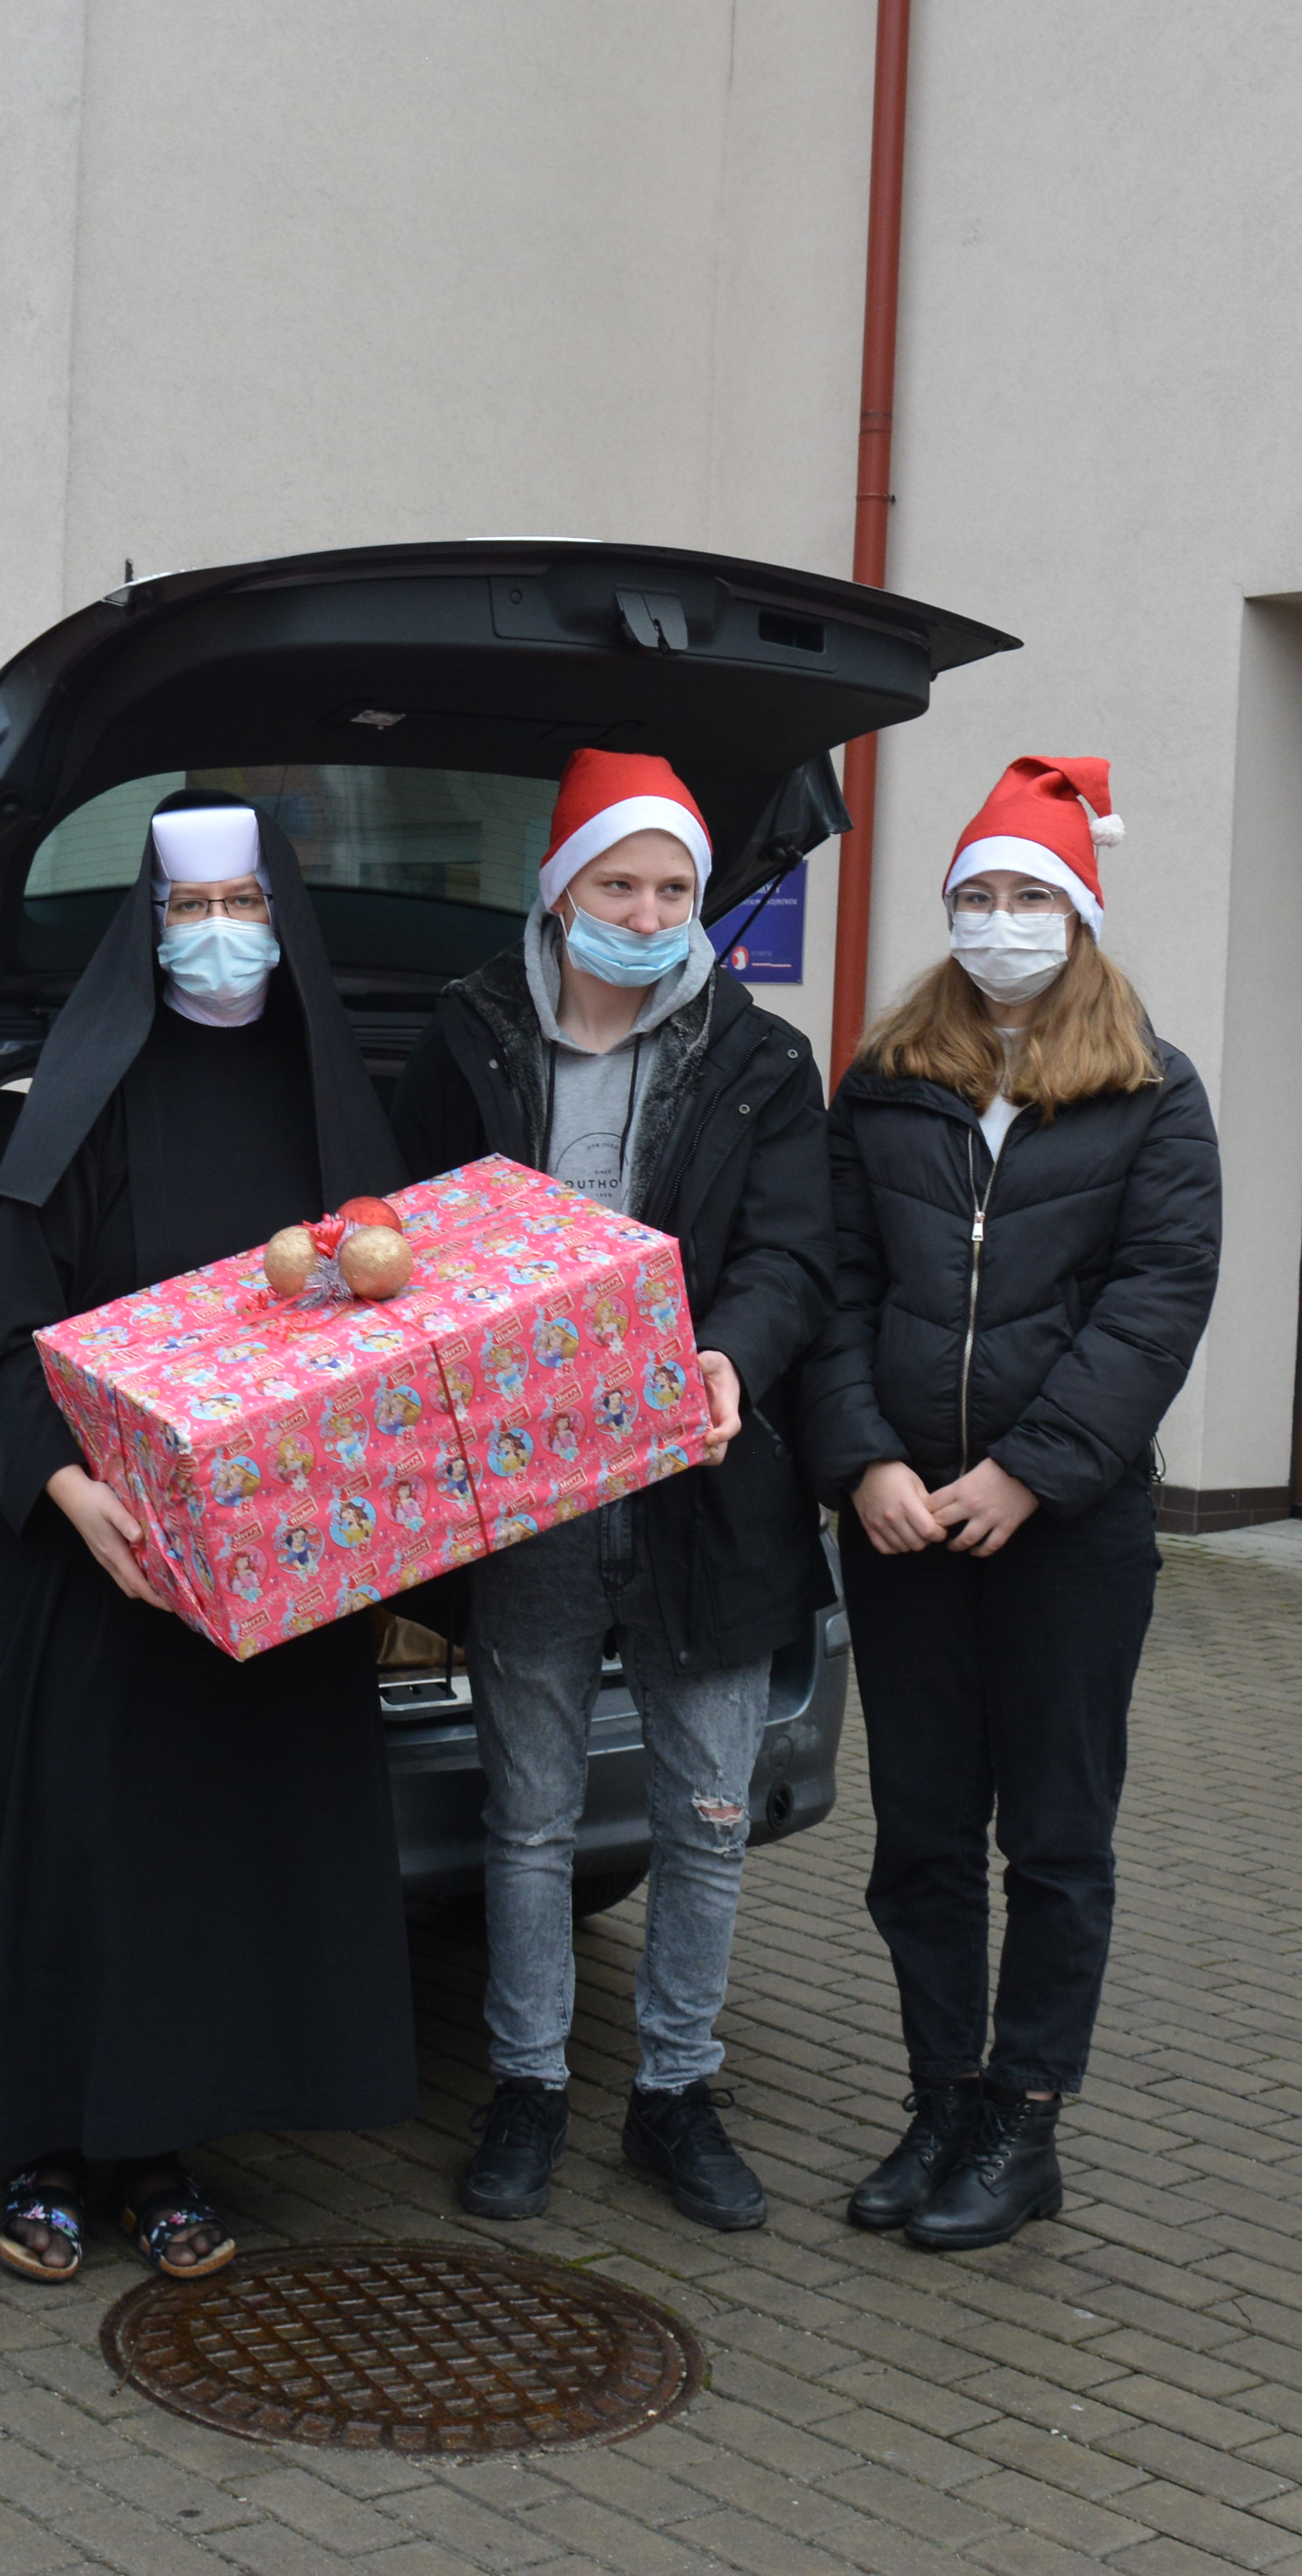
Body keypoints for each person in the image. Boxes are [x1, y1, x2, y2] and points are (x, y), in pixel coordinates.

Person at [0, 797, 415, 2285]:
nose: (221, 936)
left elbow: (398, 1336)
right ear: (148, 930)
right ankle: (41, 2151)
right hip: (87, 1566)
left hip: (261, 1585)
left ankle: (164, 2151)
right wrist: (77, 1495)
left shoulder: (338, 1113)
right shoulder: (73, 1101)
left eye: (245, 905)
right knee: (76, 1857)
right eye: (191, 911)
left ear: (287, 916)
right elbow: (4, 1337)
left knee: (209, 1872)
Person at [389, 752, 832, 2232]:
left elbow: (789, 1254)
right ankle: (526, 2083)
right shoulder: (466, 1038)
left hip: (709, 1481)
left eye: (672, 888)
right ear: (561, 885)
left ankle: (675, 2092)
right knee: (529, 1814)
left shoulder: (761, 1060)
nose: (646, 910)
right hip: (534, 1491)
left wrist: (731, 1358)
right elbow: (405, 1239)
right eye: (618, 882)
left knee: (705, 1807)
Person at [795, 757, 1221, 2252]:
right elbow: (834, 1282)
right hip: (902, 1520)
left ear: (1081, 912)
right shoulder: (887, 1077)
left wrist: (1028, 1469)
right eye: (976, 893)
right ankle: (940, 2095)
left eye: (1029, 893)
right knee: (919, 1830)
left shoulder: (1155, 1092)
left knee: (1053, 1833)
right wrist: (864, 1460)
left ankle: (1025, 2115)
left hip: (1067, 1530)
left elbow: (1156, 1304)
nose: (999, 919)